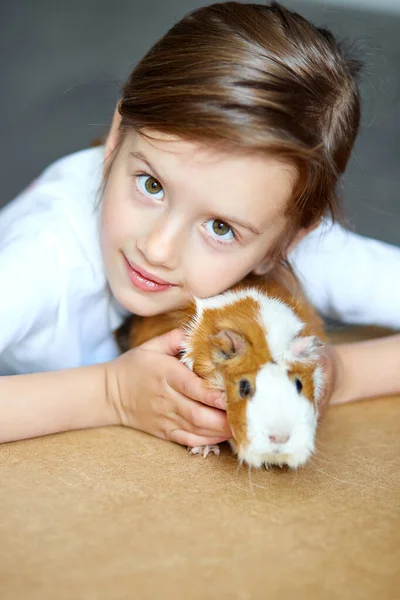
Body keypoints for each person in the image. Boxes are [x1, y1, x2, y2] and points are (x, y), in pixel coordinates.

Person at [0, 2, 399, 446]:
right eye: (151, 185)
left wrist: (342, 375)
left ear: (283, 245)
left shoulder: (291, 238)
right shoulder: (45, 253)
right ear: (116, 139)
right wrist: (110, 394)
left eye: (221, 229)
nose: (158, 248)